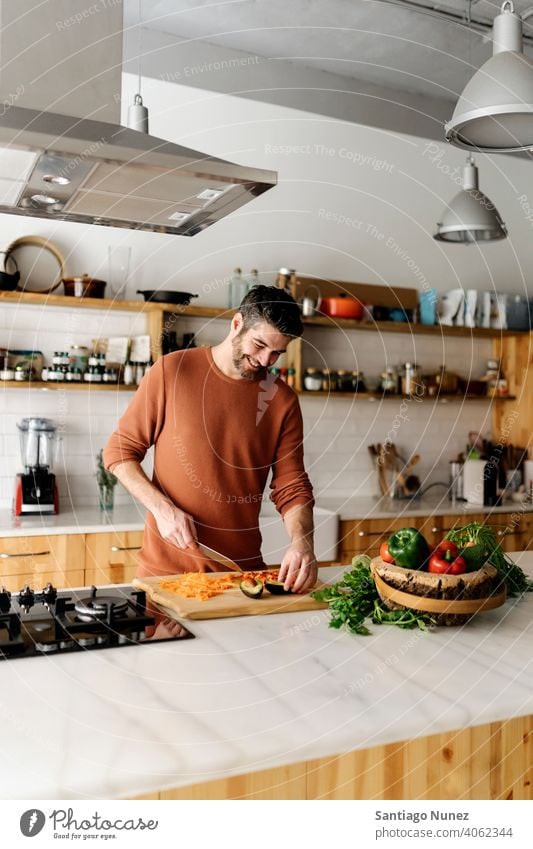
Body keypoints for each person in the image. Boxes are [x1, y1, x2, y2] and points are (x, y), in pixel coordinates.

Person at [103, 285, 317, 593]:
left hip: (241, 577)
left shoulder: (282, 401)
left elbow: (291, 486)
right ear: (237, 324)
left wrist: (302, 543)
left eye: (276, 353)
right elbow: (119, 451)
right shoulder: (171, 371)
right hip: (164, 575)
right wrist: (162, 509)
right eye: (258, 345)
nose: (265, 361)